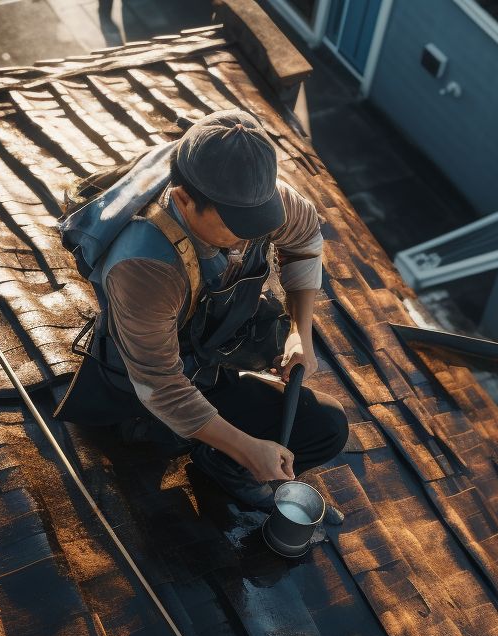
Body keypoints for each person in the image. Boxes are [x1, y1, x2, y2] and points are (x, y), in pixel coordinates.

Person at [55, 108, 349, 511]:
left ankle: (221, 464)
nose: (249, 237)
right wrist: (248, 449)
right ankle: (200, 447)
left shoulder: (255, 200)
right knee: (160, 439)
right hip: (145, 393)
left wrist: (301, 333)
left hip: (212, 358)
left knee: (327, 427)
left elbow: (304, 241)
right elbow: (161, 386)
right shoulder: (144, 267)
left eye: (258, 222)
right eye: (235, 227)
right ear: (184, 199)